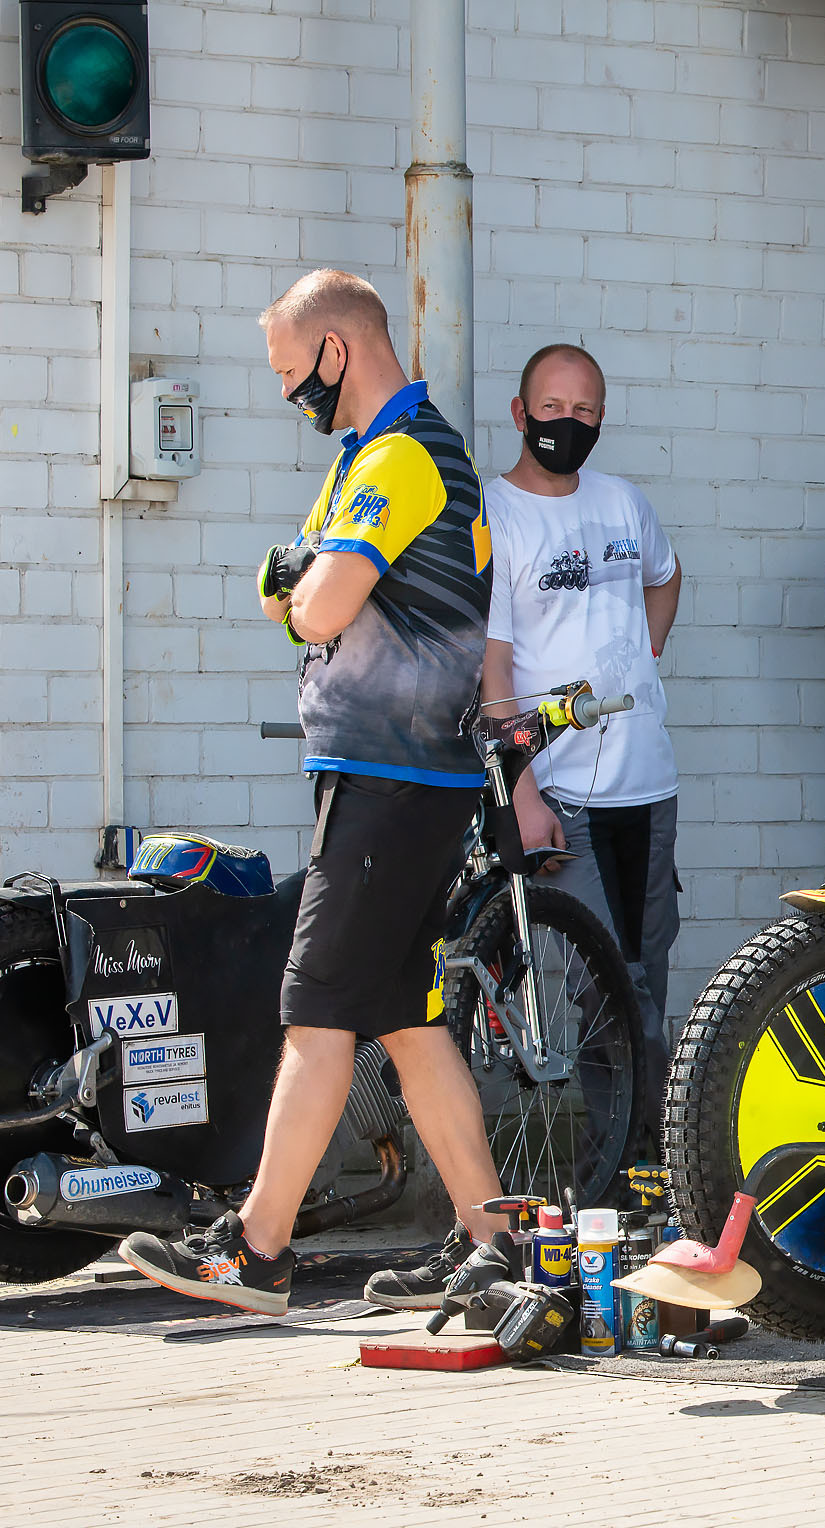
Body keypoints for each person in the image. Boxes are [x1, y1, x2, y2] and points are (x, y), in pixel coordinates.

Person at [118, 269, 506, 1316]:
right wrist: (298, 585)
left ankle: (259, 1248)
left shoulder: (400, 457)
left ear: (340, 348)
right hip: (397, 780)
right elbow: (285, 577)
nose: (295, 395)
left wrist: (300, 591)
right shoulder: (367, 460)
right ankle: (493, 1238)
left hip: (394, 781)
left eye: (296, 374)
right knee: (408, 1019)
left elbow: (315, 596)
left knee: (317, 1010)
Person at [481, 344, 683, 1059]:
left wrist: (642, 659)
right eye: (552, 409)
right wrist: (522, 790)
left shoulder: (622, 500)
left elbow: (665, 574)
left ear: (602, 417)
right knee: (605, 987)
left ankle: (643, 1154)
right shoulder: (494, 516)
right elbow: (493, 667)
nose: (569, 422)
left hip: (649, 786)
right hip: (562, 792)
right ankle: (633, 1155)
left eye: (584, 410)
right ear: (520, 413)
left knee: (647, 973)